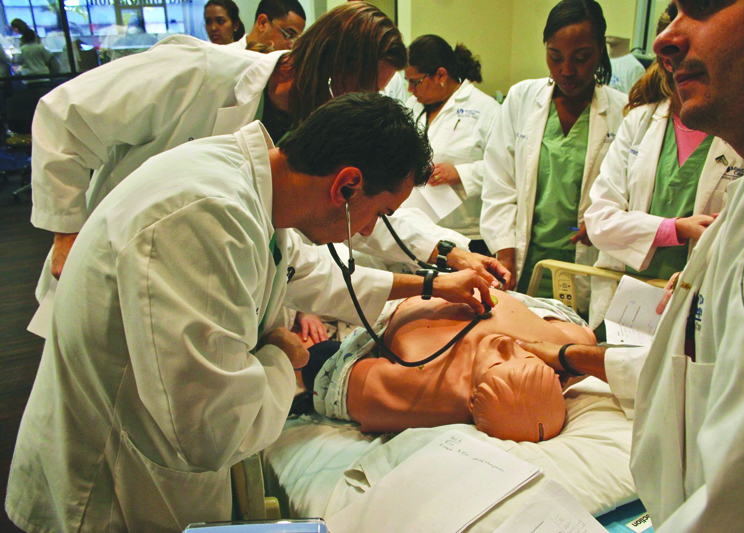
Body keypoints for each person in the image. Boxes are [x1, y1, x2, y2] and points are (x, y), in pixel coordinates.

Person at [6, 93, 496, 532]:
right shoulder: (205, 214)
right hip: (107, 491)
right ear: (346, 186)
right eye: (378, 212)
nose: (368, 233)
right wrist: (285, 357)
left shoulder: (254, 186)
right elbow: (211, 431)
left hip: (146, 457)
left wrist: (434, 284)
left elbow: (310, 272)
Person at [30, 3, 507, 326]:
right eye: (361, 91)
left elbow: (358, 209)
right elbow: (64, 117)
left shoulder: (306, 131)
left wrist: (443, 255)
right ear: (327, 71)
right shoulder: (200, 73)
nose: (363, 105)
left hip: (196, 284)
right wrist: (67, 234)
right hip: (113, 264)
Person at [518, 0, 744, 528]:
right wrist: (572, 358)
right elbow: (689, 375)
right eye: (670, 12)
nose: (666, 39)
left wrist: (571, 356)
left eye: (704, 6)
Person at [583, 9, 744, 329]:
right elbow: (600, 219)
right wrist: (676, 228)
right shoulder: (640, 123)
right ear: (663, 60)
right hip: (625, 299)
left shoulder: (741, 129)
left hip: (700, 304)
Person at [480, 0, 627, 306]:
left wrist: (607, 221)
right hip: (525, 257)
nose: (567, 70)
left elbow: (629, 192)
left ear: (601, 50)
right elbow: (499, 182)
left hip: (589, 264)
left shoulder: (624, 112)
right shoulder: (522, 99)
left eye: (581, 57)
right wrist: (504, 247)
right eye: (555, 56)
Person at [309, 288, 595, 442]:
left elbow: (333, 384)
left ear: (471, 400)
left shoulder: (424, 390)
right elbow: (584, 336)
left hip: (403, 301)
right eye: (525, 358)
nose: (507, 345)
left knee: (317, 359)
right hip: (489, 289)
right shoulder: (555, 347)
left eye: (499, 364)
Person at [405, 35, 500, 250]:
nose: (410, 89)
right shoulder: (413, 106)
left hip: (466, 233)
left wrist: (461, 174)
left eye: (415, 81)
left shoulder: (486, 109)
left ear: (441, 75)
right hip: (419, 228)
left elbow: (505, 170)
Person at [229, 0, 306, 52]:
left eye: (296, 40)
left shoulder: (286, 68)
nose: (291, 46)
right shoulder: (228, 57)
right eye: (289, 35)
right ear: (262, 23)